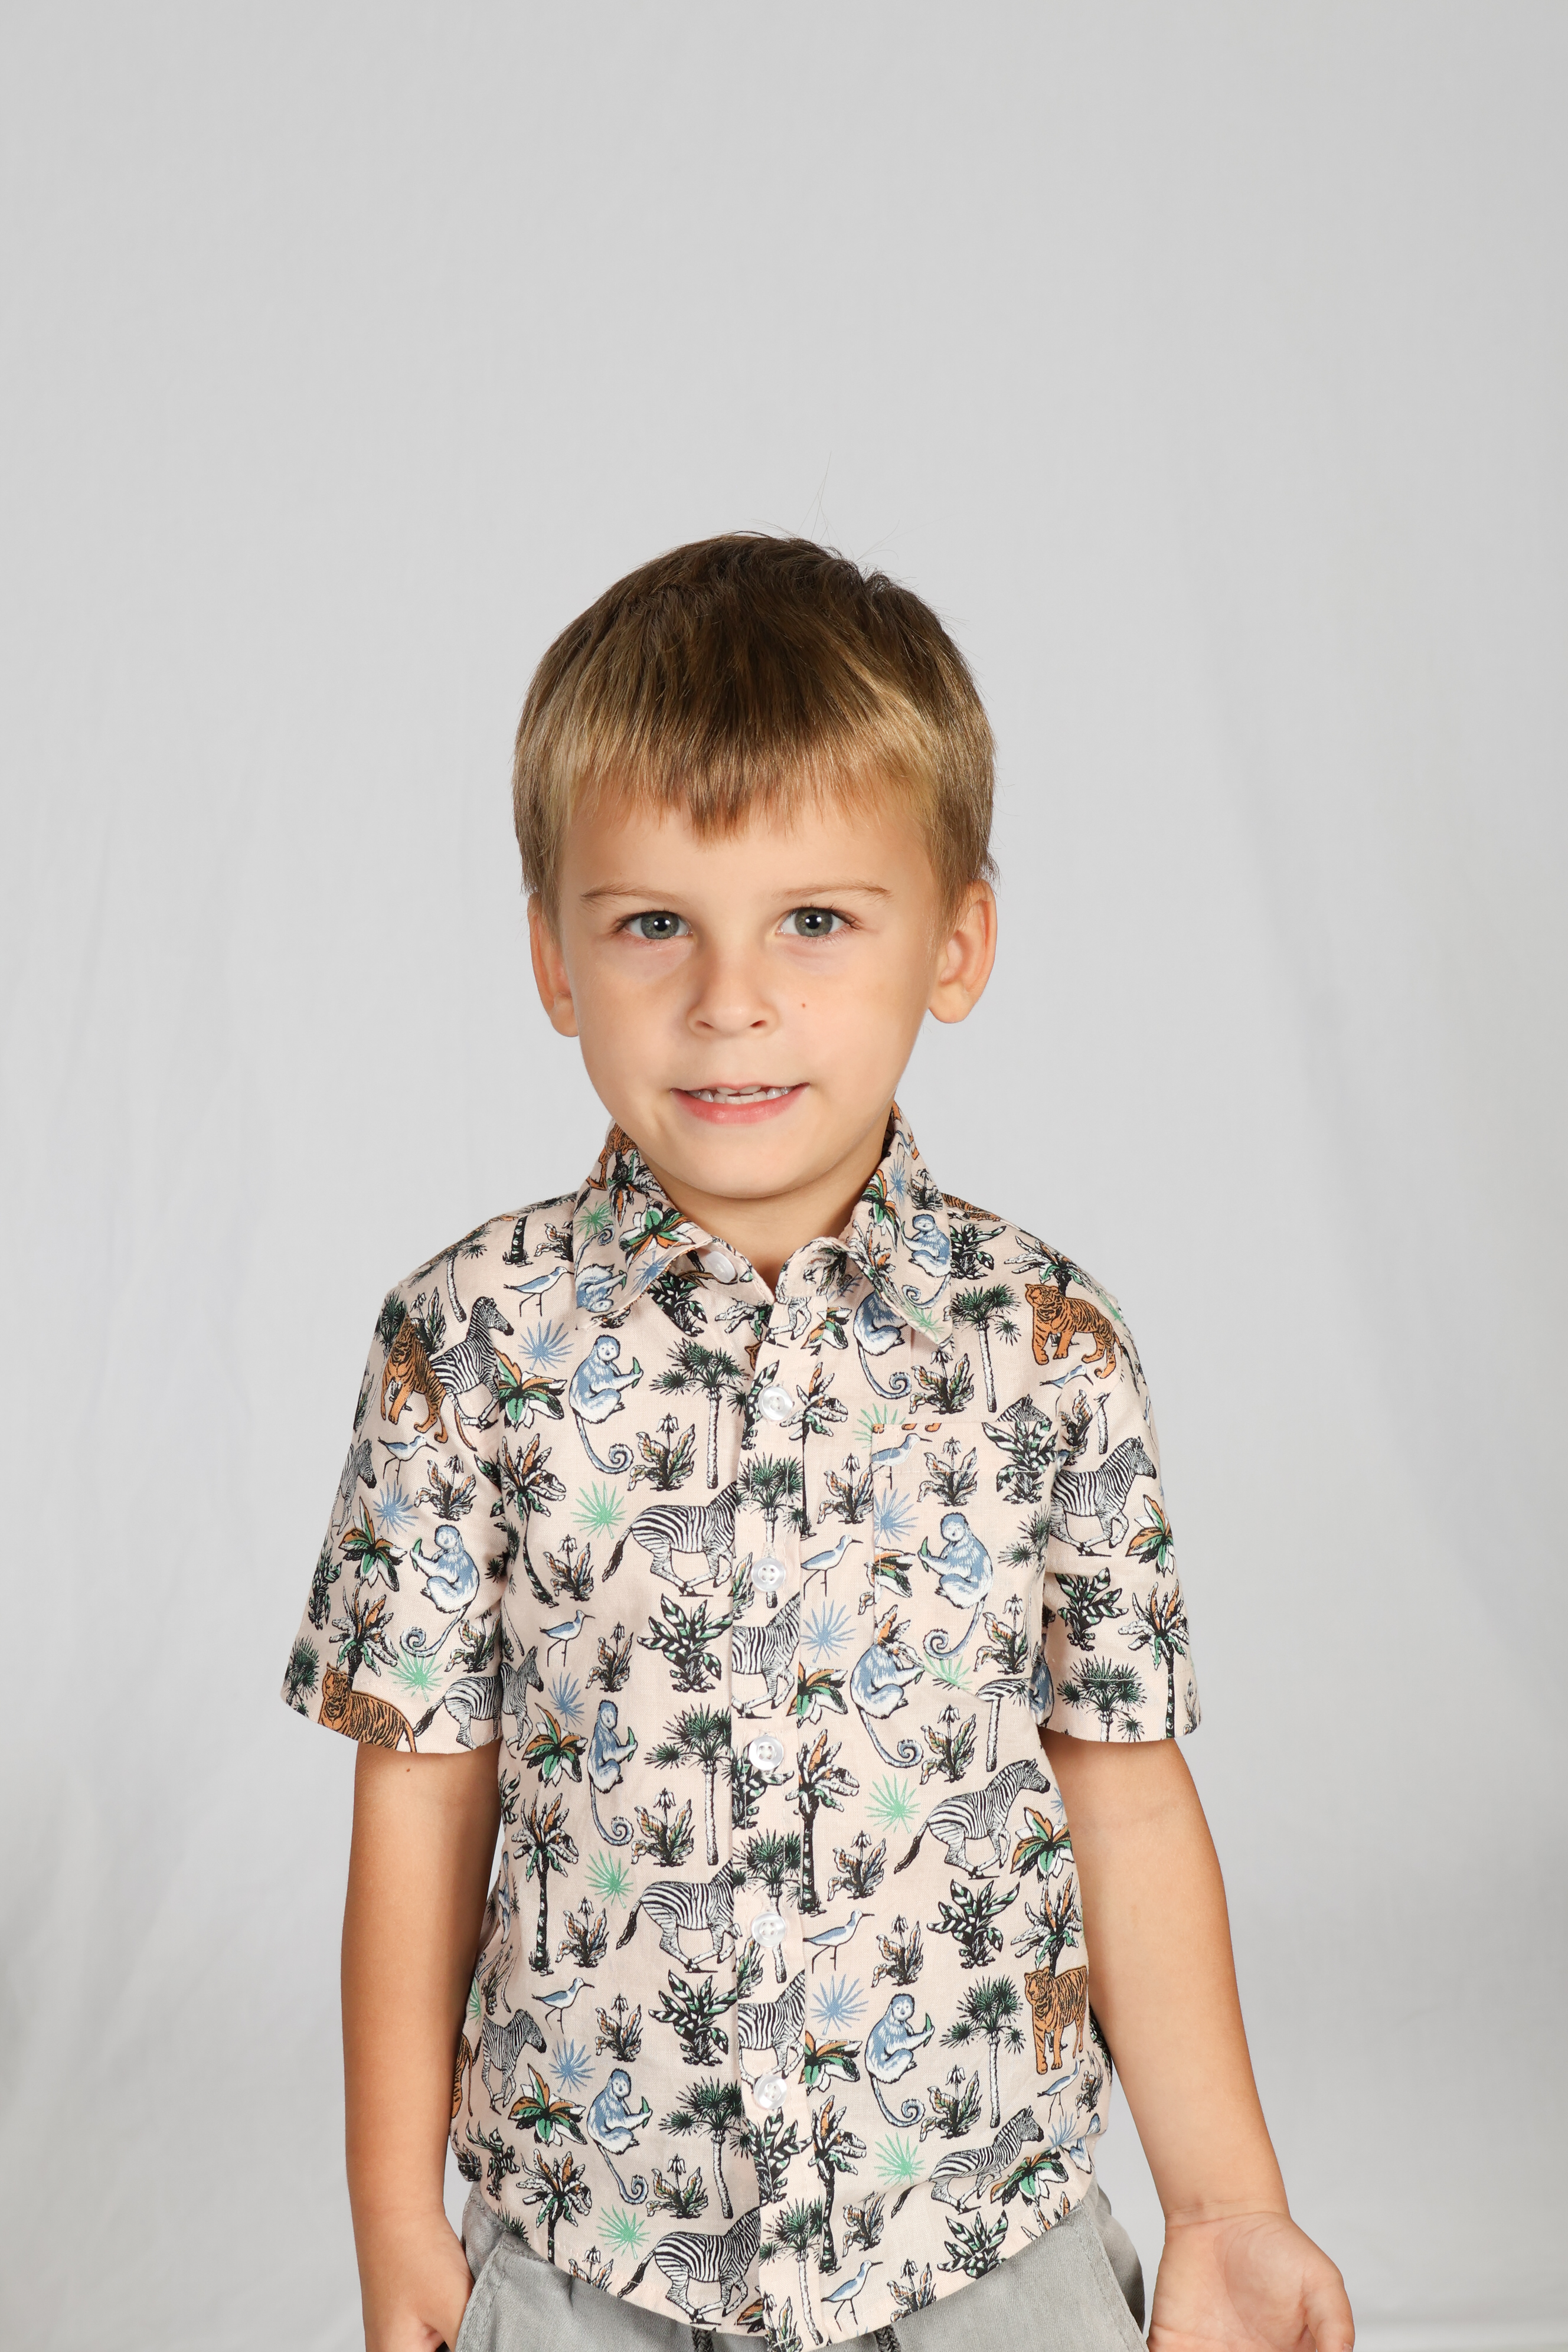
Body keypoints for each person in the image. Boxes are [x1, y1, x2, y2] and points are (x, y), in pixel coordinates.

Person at [281, 535, 1353, 2352]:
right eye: (654, 924)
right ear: (553, 956)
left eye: (817, 921)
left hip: (979, 2237)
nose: (732, 1000)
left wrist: (1226, 2200)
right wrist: (396, 2217)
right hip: (591, 2252)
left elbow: (1123, 1792)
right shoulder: (463, 1349)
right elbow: (420, 1800)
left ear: (957, 943)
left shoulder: (1050, 1351)